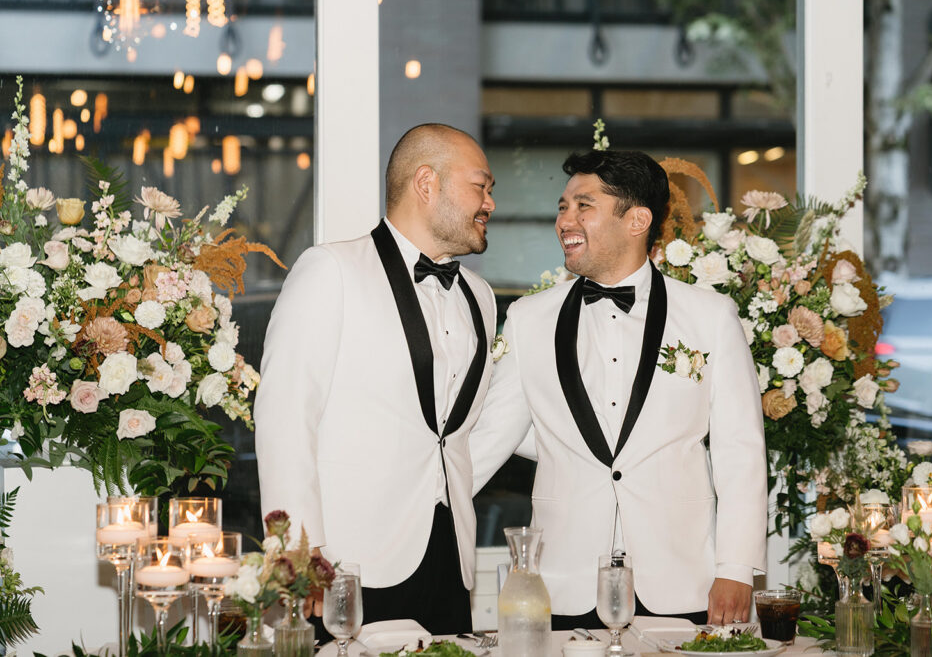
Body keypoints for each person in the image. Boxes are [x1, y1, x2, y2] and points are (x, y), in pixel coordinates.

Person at [471, 149, 767, 629]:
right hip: (566, 584)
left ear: (638, 220)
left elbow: (741, 450)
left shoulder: (710, 316)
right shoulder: (529, 319)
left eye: (582, 205)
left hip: (680, 580)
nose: (564, 219)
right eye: (562, 206)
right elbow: (488, 441)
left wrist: (736, 569)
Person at [255, 123, 497, 635]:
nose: (490, 203)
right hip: (347, 562)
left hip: (450, 555)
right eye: (481, 186)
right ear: (426, 183)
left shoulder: (480, 295)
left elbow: (455, 432)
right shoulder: (330, 270)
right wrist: (299, 552)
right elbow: (284, 417)